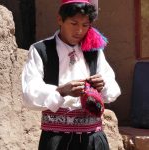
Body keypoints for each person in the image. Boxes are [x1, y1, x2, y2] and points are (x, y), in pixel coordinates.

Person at [22, 0, 121, 150]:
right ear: (60, 20)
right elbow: (29, 94)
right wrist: (61, 91)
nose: (79, 31)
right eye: (74, 24)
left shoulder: (94, 52)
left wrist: (103, 85)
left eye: (85, 25)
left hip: (92, 140)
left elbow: (113, 89)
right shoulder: (40, 51)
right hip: (56, 140)